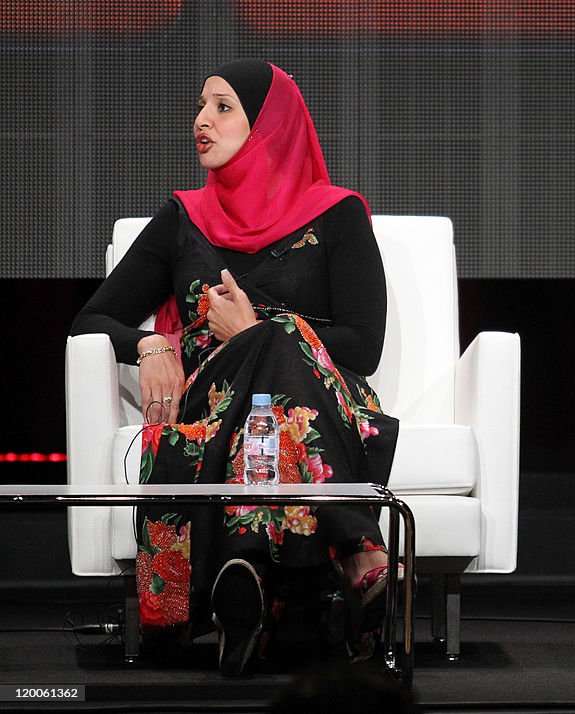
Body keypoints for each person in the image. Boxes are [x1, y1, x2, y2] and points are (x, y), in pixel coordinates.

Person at [71, 59, 400, 675]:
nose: (201, 122)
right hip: (214, 402)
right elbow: (90, 320)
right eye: (200, 107)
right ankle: (354, 551)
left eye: (223, 108)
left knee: (274, 339)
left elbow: (363, 346)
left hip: (316, 399)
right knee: (265, 353)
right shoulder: (182, 218)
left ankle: (246, 577)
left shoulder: (336, 214)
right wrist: (152, 345)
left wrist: (258, 332)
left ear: (270, 126)